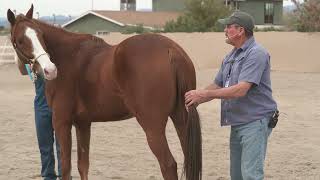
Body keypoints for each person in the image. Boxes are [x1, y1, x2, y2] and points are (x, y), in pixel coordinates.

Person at [185, 11, 278, 180]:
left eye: (228, 27)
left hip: (255, 122)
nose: (225, 30)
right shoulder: (230, 56)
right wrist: (195, 99)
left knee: (251, 175)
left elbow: (241, 89)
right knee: (237, 176)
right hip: (238, 122)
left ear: (240, 30)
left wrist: (204, 93)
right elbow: (217, 84)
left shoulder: (256, 53)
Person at [17, 61, 62, 180]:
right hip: (41, 106)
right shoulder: (32, 59)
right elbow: (22, 71)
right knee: (45, 146)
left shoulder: (56, 55)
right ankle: (48, 177)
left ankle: (65, 176)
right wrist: (20, 56)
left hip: (60, 106)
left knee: (61, 146)